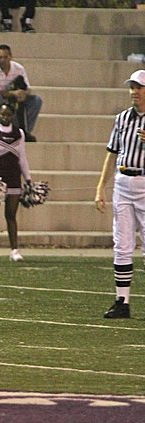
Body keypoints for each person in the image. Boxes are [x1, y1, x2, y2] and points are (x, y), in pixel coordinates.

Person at [95, 70, 145, 319]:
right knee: (122, 245)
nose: (134, 91)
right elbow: (111, 153)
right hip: (124, 181)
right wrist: (100, 186)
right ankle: (121, 301)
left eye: (139, 87)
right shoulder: (122, 118)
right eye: (132, 87)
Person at [0, 103, 32, 262]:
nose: (5, 117)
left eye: (8, 115)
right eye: (2, 114)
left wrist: (28, 178)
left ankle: (14, 250)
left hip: (13, 177)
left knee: (11, 215)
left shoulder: (19, 133)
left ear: (13, 115)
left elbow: (22, 158)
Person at [0, 44, 42, 141]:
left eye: (5, 57)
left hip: (16, 95)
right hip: (0, 96)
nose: (3, 60)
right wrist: (13, 93)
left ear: (10, 56)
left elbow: (27, 88)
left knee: (36, 101)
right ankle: (7, 130)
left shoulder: (19, 68)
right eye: (0, 57)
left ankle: (24, 131)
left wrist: (23, 93)